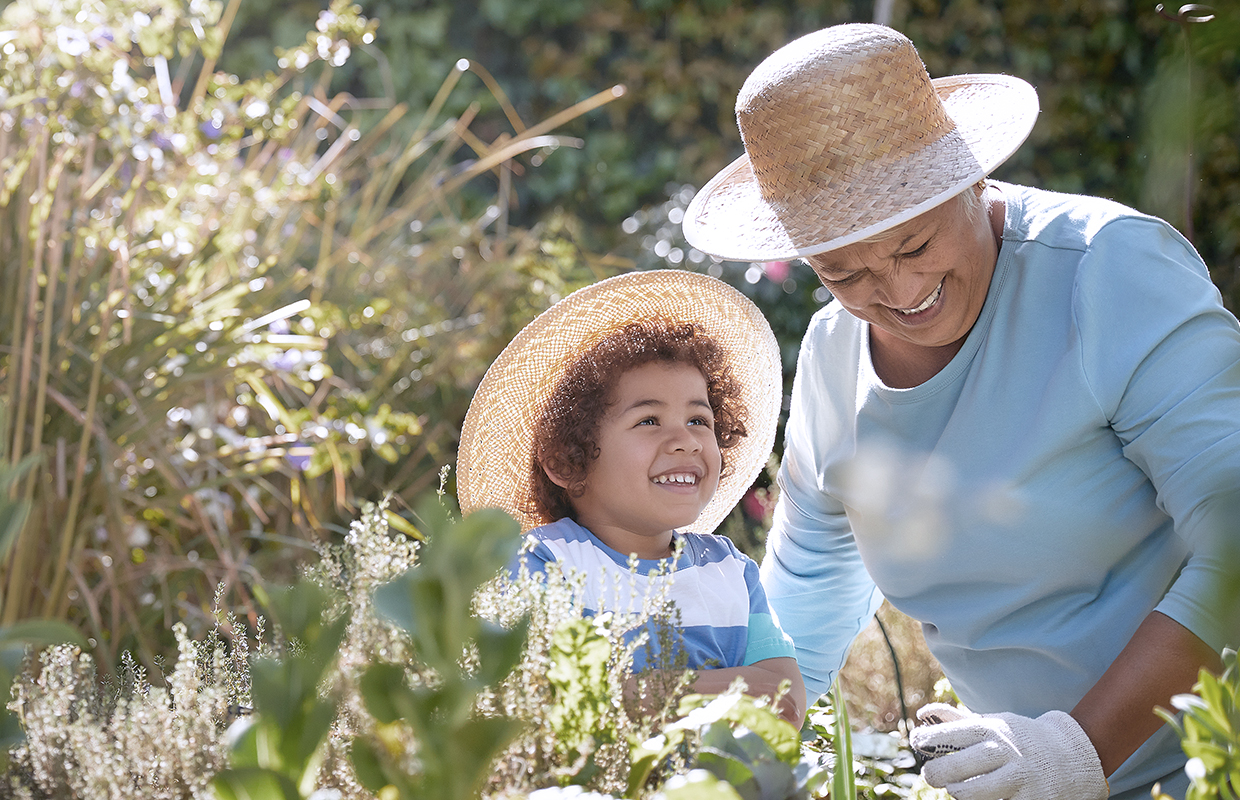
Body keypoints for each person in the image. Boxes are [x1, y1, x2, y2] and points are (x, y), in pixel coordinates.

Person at [681, 22, 1240, 800]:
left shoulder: (1107, 272)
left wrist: (1079, 751)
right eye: (845, 272)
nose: (900, 294)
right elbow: (807, 597)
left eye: (915, 246)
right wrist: (733, 763)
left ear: (970, 178)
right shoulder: (834, 357)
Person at [456, 270, 806, 725]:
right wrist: (734, 687)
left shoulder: (730, 570)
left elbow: (785, 702)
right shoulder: (542, 563)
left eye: (700, 420)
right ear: (566, 460)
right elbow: (554, 699)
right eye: (649, 421)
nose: (686, 441)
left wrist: (643, 691)